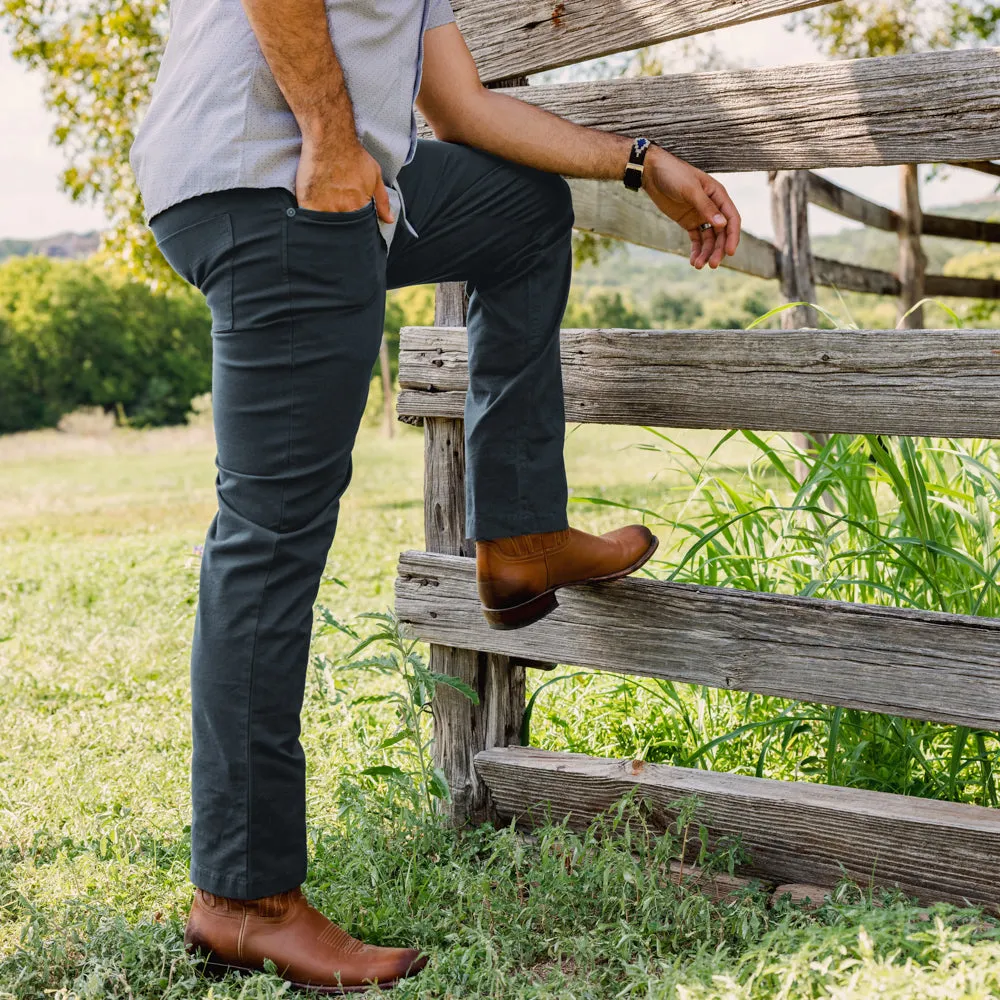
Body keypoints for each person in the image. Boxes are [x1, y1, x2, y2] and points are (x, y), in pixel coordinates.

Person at [129, 0, 742, 991]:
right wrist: (331, 138)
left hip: (284, 174)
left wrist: (636, 161)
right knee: (271, 539)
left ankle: (519, 534)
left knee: (522, 213)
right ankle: (244, 894)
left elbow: (457, 107)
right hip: (273, 179)